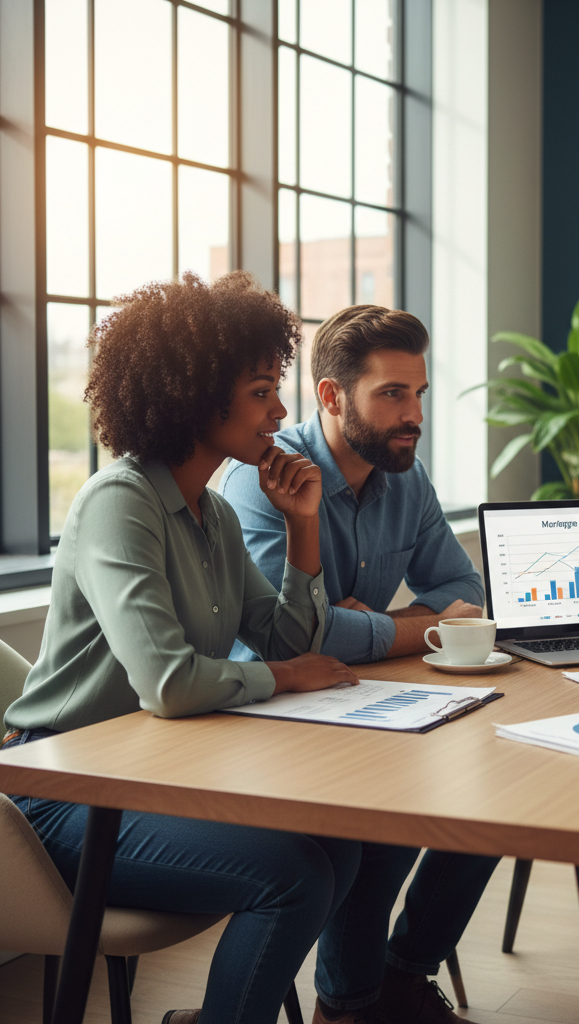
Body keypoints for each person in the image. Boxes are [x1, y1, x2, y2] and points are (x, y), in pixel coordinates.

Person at [2, 272, 421, 1024]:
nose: (281, 411)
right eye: (262, 390)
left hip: (148, 774)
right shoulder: (118, 504)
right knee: (292, 877)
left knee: (344, 848)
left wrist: (302, 528)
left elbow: (294, 637)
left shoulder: (215, 514)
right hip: (62, 795)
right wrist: (283, 675)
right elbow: (168, 683)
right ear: (196, 396)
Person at [221, 304, 498, 1024]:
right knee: (378, 825)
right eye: (392, 394)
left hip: (358, 698)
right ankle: (346, 1008)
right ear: (331, 397)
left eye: (419, 394)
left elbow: (464, 594)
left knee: (493, 808)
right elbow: (294, 642)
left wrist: (368, 624)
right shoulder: (262, 479)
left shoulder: (404, 474)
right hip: (262, 715)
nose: (414, 416)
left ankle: (402, 980)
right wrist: (404, 627)